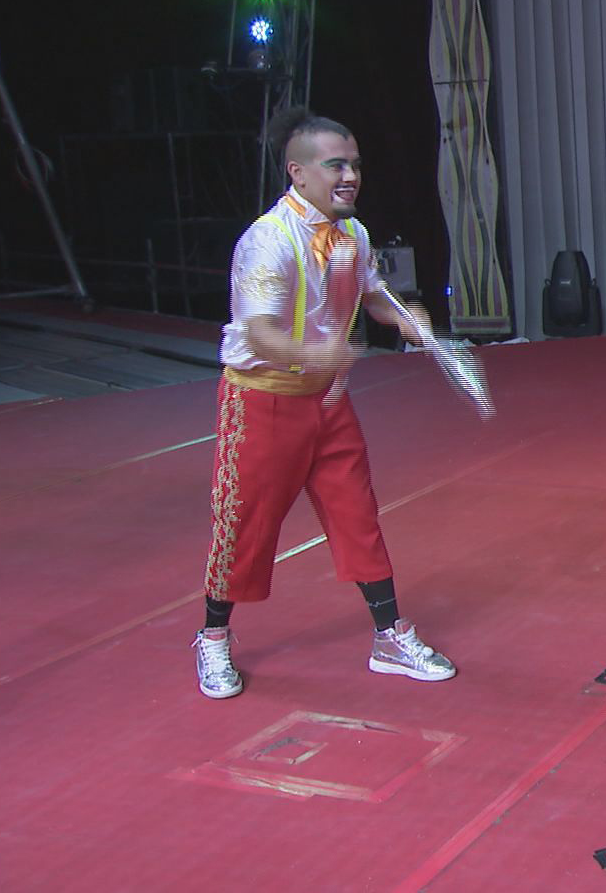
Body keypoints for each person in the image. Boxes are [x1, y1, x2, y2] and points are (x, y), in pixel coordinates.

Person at [193, 107, 454, 699]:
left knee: (357, 513)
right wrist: (317, 353)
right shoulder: (267, 240)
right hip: (263, 401)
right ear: (299, 172)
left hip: (329, 402)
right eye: (336, 165)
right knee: (244, 524)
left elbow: (375, 294)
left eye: (355, 165)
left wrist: (405, 317)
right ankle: (212, 638)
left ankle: (389, 636)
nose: (350, 176)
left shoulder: (353, 233)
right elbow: (259, 334)